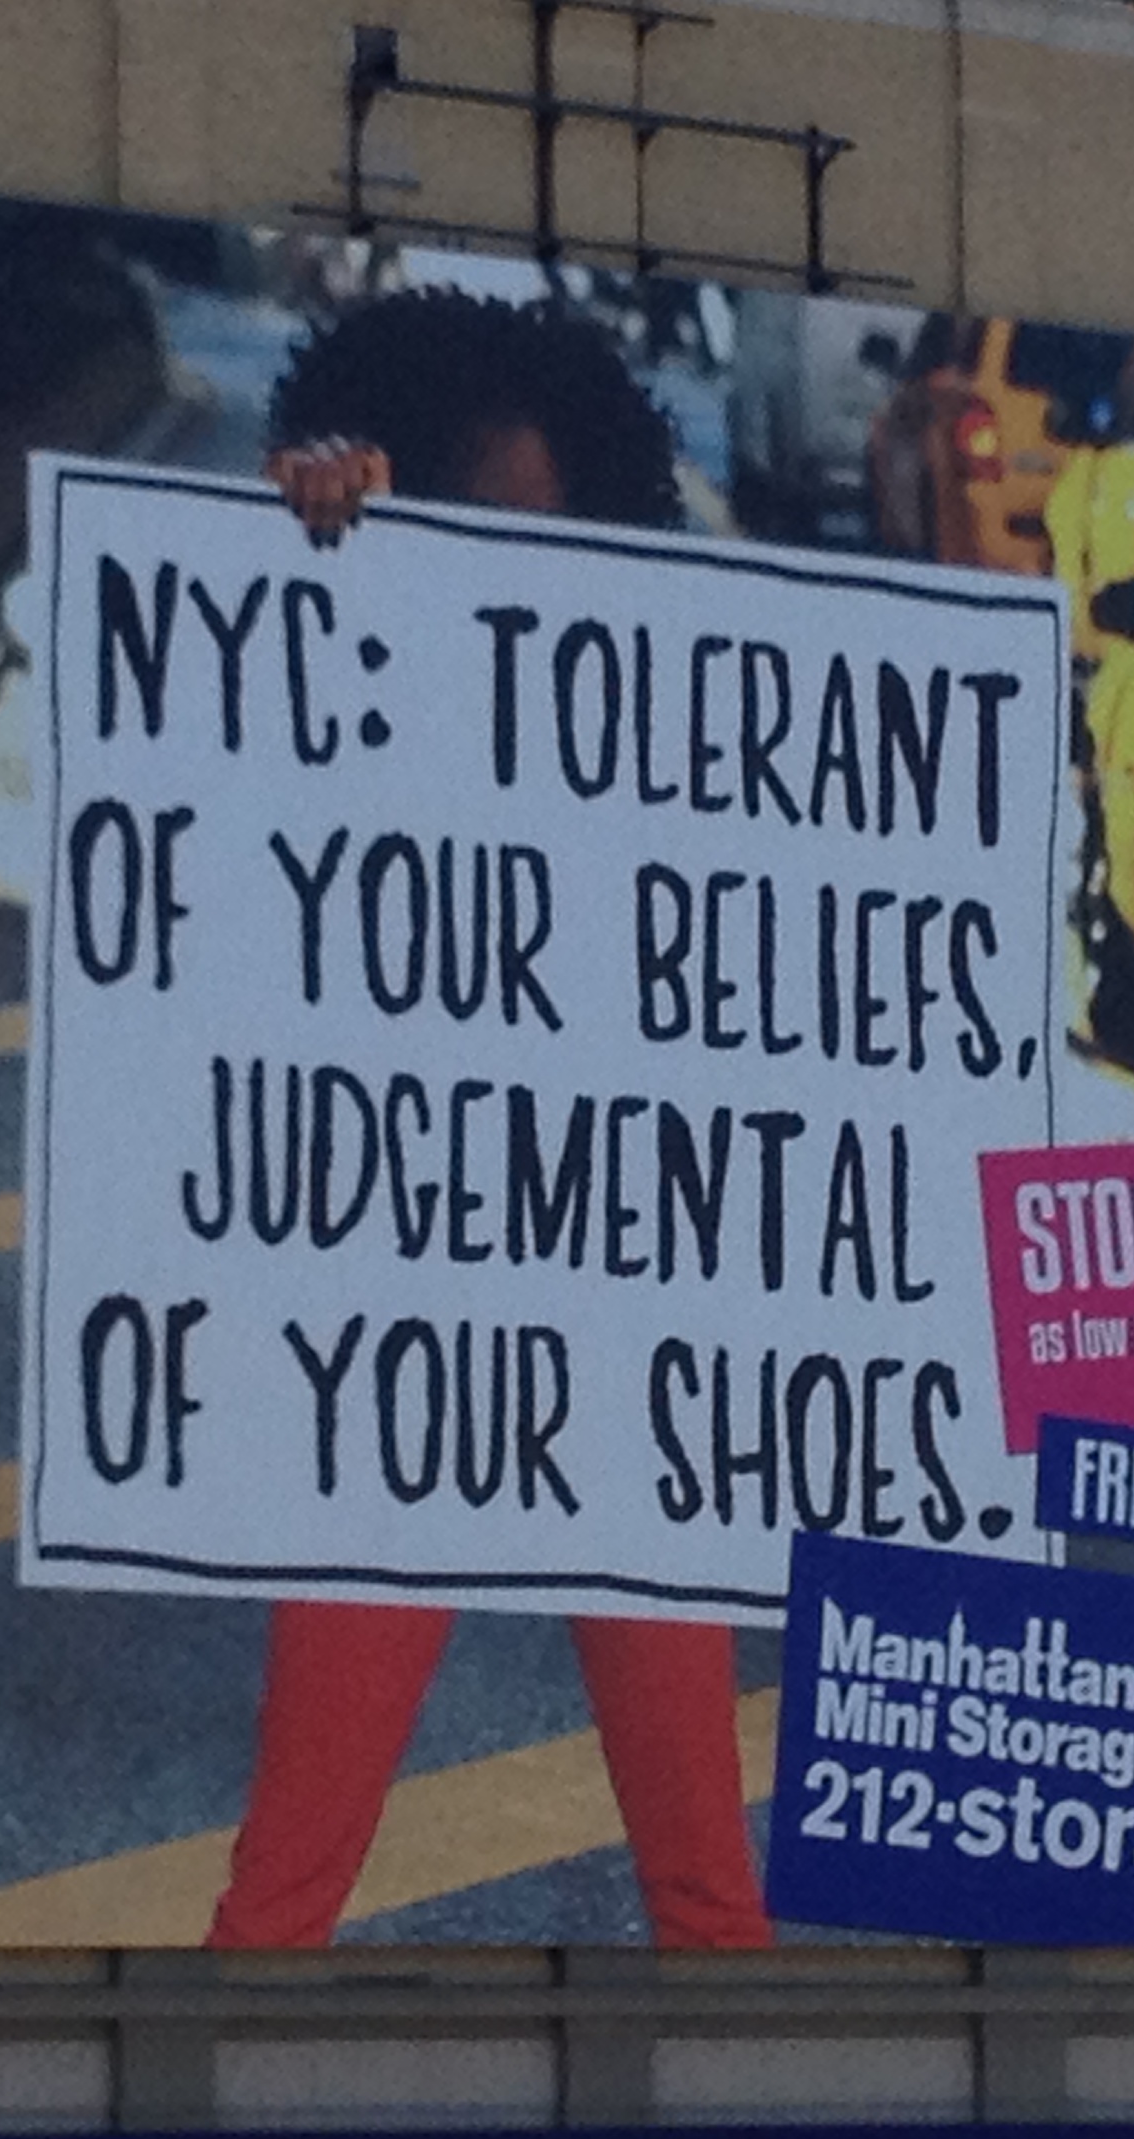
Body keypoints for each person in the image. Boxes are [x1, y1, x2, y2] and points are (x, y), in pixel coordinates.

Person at [205, 288, 773, 1951]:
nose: (516, 559)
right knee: (283, 1887)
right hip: (399, 1324)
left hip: (617, 1322)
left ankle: (766, 2130)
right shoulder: (327, 663)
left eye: (550, 524)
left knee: (709, 1897)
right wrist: (308, 540)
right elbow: (218, 742)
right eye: (472, 518)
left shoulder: (659, 712)